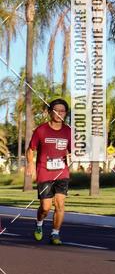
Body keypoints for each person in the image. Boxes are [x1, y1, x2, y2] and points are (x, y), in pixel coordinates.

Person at [26, 99, 72, 245]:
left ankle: (55, 234)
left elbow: (74, 150)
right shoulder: (41, 130)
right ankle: (39, 223)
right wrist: (30, 164)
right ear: (49, 112)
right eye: (56, 110)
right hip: (45, 172)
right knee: (45, 207)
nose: (59, 113)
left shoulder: (69, 131)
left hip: (62, 172)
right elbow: (30, 149)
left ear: (66, 113)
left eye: (62, 111)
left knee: (59, 204)